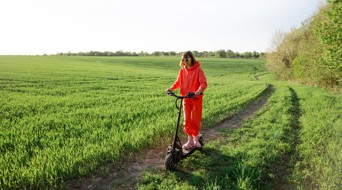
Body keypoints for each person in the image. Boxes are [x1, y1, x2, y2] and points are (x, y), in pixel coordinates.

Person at [166, 51, 207, 149]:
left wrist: (199, 90)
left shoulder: (198, 70)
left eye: (187, 59)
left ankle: (195, 140)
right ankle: (189, 140)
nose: (185, 61)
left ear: (191, 58)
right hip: (185, 98)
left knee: (195, 119)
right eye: (183, 60)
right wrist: (171, 88)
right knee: (187, 119)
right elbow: (178, 83)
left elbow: (203, 83)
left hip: (195, 98)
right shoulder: (182, 71)